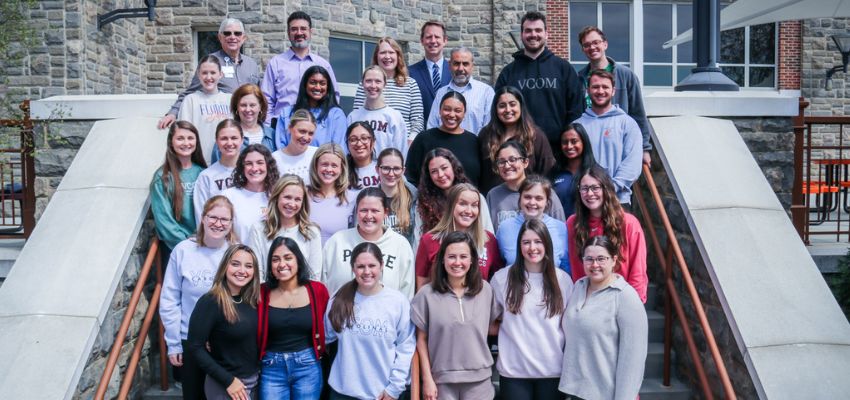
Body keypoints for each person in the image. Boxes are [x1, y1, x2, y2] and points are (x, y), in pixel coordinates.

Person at [160, 196, 237, 400]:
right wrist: (174, 342)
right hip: (190, 340)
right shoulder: (183, 250)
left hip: (224, 341)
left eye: (224, 220)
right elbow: (170, 299)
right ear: (203, 218)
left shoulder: (235, 253)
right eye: (213, 217)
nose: (218, 223)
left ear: (231, 224)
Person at [491, 218, 573, 400]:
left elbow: (568, 327)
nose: (532, 248)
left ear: (547, 244)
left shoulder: (563, 280)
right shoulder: (501, 279)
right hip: (514, 373)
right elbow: (492, 321)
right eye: (526, 242)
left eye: (538, 241)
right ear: (519, 246)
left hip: (552, 372)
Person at [559, 235, 647, 400]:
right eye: (589, 259)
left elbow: (633, 360)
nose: (595, 265)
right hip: (574, 390)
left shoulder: (625, 296)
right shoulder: (578, 287)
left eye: (601, 259)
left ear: (614, 260)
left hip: (605, 394)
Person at [324, 242, 416, 400]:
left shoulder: (398, 302)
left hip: (382, 393)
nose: (367, 272)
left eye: (372, 265)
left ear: (381, 265)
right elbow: (326, 335)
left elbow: (406, 348)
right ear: (353, 268)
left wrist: (394, 388)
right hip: (343, 393)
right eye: (360, 267)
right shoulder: (339, 298)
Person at [412, 231, 496, 400]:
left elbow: (493, 328)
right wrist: (427, 379)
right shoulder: (426, 295)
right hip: (441, 382)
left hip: (479, 381)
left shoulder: (485, 290)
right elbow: (421, 340)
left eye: (463, 256)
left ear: (472, 259)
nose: (457, 262)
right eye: (451, 257)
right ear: (442, 259)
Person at [494, 11, 584, 152]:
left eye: (538, 30)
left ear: (546, 34)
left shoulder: (563, 69)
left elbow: (576, 110)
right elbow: (498, 112)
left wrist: (568, 142)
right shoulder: (509, 72)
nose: (533, 34)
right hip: (518, 150)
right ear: (522, 34)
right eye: (528, 30)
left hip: (558, 151)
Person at [257, 237, 330, 400]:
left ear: (298, 260)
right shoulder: (260, 292)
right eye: (275, 259)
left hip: (308, 366)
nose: (281, 264)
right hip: (271, 367)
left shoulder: (317, 290)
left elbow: (329, 325)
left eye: (288, 258)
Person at [186, 244, 261, 399]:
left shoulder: (251, 301)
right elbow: (195, 346)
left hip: (253, 383)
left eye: (248, 266)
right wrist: (229, 381)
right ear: (225, 266)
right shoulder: (211, 301)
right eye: (235, 264)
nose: (242, 271)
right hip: (226, 386)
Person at [158, 18, 260, 129]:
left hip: (248, 124)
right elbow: (191, 91)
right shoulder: (210, 63)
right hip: (223, 126)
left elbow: (259, 96)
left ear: (243, 38)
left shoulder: (252, 65)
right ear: (220, 37)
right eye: (227, 33)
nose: (232, 37)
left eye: (237, 33)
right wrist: (173, 113)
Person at [566, 165, 647, 302]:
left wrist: (634, 302)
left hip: (620, 299)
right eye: (584, 188)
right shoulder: (573, 223)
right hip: (587, 299)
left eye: (595, 188)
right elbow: (575, 266)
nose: (590, 193)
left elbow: (637, 270)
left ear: (606, 189)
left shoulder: (628, 223)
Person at [577, 26, 653, 167]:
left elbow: (638, 112)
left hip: (618, 146)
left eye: (596, 42)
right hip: (589, 147)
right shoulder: (579, 78)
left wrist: (644, 148)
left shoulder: (626, 75)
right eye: (586, 45)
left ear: (605, 44)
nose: (592, 47)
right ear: (582, 49)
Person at [322, 188, 414, 299]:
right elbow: (322, 286)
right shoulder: (337, 242)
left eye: (375, 211)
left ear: (386, 213)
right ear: (356, 211)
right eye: (364, 210)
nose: (369, 216)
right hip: (340, 313)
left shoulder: (400, 245)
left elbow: (407, 294)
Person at [415, 183, 503, 289]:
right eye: (463, 204)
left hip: (478, 303)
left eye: (474, 205)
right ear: (451, 206)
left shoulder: (489, 240)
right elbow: (422, 286)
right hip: (441, 303)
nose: (469, 211)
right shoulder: (429, 240)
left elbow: (497, 281)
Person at [575, 70, 642, 206]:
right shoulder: (577, 125)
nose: (600, 91)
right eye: (595, 87)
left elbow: (632, 163)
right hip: (586, 202)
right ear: (588, 90)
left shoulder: (627, 124)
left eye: (605, 87)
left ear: (613, 91)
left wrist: (611, 187)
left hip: (618, 200)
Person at [262, 11, 340, 125]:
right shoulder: (276, 63)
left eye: (303, 29)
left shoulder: (323, 65)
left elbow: (334, 96)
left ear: (310, 32)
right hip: (282, 127)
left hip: (316, 128)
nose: (299, 33)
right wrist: (270, 126)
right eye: (294, 29)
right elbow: (266, 99)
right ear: (288, 33)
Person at [478, 86, 556, 194]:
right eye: (502, 106)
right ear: (495, 109)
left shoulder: (536, 136)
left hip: (527, 202)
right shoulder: (486, 135)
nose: (508, 110)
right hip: (493, 202)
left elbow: (547, 173)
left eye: (512, 104)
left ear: (521, 106)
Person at [249, 175, 322, 280]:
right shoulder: (258, 229)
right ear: (277, 197)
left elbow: (314, 276)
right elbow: (257, 274)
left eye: (297, 199)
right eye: (287, 197)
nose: (292, 204)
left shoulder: (311, 232)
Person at [152, 121, 207, 254]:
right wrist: (186, 244)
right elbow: (164, 221)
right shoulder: (162, 177)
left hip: (206, 245)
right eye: (180, 138)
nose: (186, 143)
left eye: (190, 138)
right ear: (171, 142)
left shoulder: (204, 172)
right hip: (179, 249)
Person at [354, 37, 425, 141]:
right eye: (383, 53)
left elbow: (418, 121)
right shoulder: (366, 85)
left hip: (403, 147)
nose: (387, 57)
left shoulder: (411, 84)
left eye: (391, 52)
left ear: (398, 56)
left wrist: (409, 143)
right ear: (376, 57)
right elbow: (357, 117)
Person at [406, 92, 481, 187]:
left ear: (464, 113)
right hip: (431, 200)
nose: (452, 114)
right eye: (447, 109)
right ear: (439, 111)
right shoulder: (424, 139)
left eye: (457, 111)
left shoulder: (474, 141)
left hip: (466, 200)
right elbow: (410, 177)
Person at [413, 148, 494, 236]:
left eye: (444, 168)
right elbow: (418, 239)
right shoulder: (424, 203)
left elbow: (488, 233)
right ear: (429, 176)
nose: (440, 174)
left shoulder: (476, 198)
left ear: (454, 167)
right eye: (434, 171)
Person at [485, 141, 564, 231]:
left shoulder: (544, 192)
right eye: (501, 161)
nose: (507, 166)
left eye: (512, 159)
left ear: (525, 162)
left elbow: (560, 230)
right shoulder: (493, 195)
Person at [496, 175, 568, 270]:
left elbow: (566, 266)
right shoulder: (505, 228)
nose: (532, 202)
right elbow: (499, 263)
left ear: (547, 201)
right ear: (520, 198)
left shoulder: (560, 228)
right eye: (527, 197)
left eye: (538, 198)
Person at [426, 47, 495, 135]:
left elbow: (489, 128)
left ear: (472, 66)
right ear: (449, 65)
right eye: (456, 64)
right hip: (444, 147)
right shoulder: (441, 92)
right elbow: (432, 126)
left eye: (465, 64)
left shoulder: (486, 92)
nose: (460, 68)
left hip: (475, 147)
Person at [275, 65, 347, 149]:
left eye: (322, 83)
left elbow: (339, 149)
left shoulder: (336, 115)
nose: (317, 87)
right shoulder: (287, 113)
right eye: (313, 82)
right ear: (305, 85)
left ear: (328, 87)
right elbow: (281, 146)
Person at [178, 55, 233, 164]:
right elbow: (184, 134)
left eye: (213, 73)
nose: (208, 77)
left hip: (226, 162)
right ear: (198, 75)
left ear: (220, 74)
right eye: (204, 73)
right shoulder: (191, 100)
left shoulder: (230, 99)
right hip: (200, 162)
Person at [222, 144, 280, 244]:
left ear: (268, 166)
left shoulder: (277, 196)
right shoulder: (228, 196)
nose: (254, 168)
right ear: (242, 167)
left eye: (260, 163)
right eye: (249, 163)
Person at [346, 66, 408, 156]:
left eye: (378, 81)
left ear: (384, 84)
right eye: (368, 81)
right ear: (362, 84)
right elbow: (348, 150)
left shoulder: (394, 116)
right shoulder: (353, 117)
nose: (373, 86)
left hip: (386, 168)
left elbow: (401, 151)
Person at [307, 143, 357, 244]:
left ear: (341, 168)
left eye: (334, 165)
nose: (329, 170)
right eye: (324, 164)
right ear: (316, 165)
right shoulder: (303, 195)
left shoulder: (352, 199)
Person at [212, 84, 275, 162]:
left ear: (260, 107)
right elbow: (215, 167)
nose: (248, 109)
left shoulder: (272, 135)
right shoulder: (225, 134)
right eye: (243, 105)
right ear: (237, 107)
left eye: (252, 105)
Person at [194, 121, 241, 223]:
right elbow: (200, 216)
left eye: (234, 138)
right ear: (217, 141)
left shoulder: (251, 173)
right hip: (217, 236)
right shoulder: (206, 176)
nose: (229, 143)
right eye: (224, 138)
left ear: (242, 140)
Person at [551, 122, 596, 218]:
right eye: (565, 142)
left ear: (584, 142)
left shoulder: (596, 173)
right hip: (560, 228)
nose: (569, 146)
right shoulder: (554, 173)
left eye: (574, 141)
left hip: (588, 229)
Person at [409, 20, 451, 121]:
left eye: (437, 37)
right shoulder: (410, 73)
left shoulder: (455, 71)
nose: (433, 41)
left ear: (445, 40)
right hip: (421, 134)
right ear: (422, 40)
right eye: (428, 37)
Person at [377, 148, 418, 245]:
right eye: (386, 168)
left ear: (403, 170)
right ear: (377, 169)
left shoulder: (414, 198)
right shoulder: (369, 199)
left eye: (396, 168)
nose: (391, 174)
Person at [271, 109, 319, 183]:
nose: (306, 137)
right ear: (290, 128)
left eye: (311, 133)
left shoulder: (318, 154)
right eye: (302, 131)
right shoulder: (275, 158)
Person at [345, 121, 381, 191]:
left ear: (373, 141)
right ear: (347, 144)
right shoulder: (340, 170)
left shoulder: (384, 169)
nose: (359, 144)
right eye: (353, 139)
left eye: (364, 138)